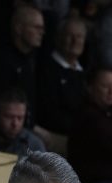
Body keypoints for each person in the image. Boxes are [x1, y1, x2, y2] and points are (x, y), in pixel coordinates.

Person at [34, 16, 88, 144]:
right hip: (53, 135)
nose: (75, 41)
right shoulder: (46, 68)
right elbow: (48, 112)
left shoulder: (83, 73)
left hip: (78, 136)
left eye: (79, 37)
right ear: (58, 38)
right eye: (70, 36)